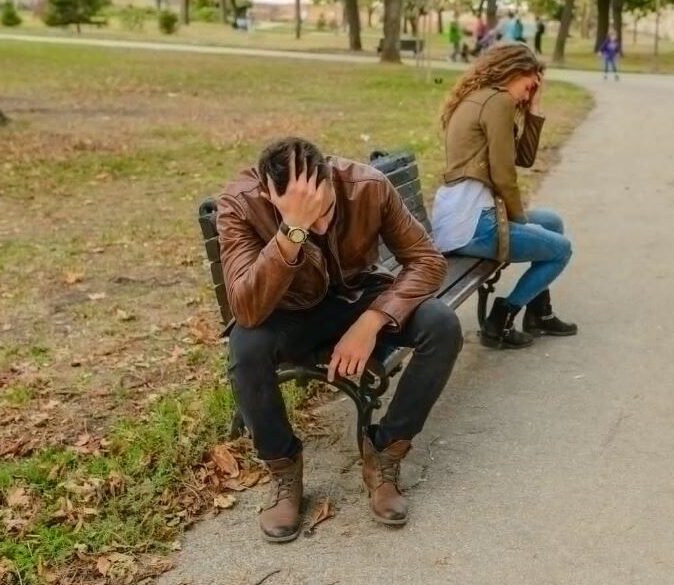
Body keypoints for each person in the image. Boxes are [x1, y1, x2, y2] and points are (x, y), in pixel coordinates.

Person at [217, 138, 462, 542]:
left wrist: (372, 321)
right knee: (246, 348)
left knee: (442, 323)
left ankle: (383, 454)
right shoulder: (242, 203)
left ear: (330, 177)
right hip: (289, 310)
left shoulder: (366, 185)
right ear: (267, 194)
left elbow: (427, 260)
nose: (321, 226)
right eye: (303, 216)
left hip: (357, 297)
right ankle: (284, 472)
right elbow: (246, 309)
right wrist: (291, 231)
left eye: (324, 208)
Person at [433, 44, 578, 350]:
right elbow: (503, 176)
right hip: (472, 224)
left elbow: (522, 159)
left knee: (551, 222)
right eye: (529, 87)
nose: (528, 95)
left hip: (468, 215)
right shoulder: (497, 101)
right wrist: (521, 221)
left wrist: (534, 109)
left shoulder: (486, 97)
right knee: (561, 250)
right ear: (515, 72)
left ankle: (538, 313)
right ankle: (502, 318)